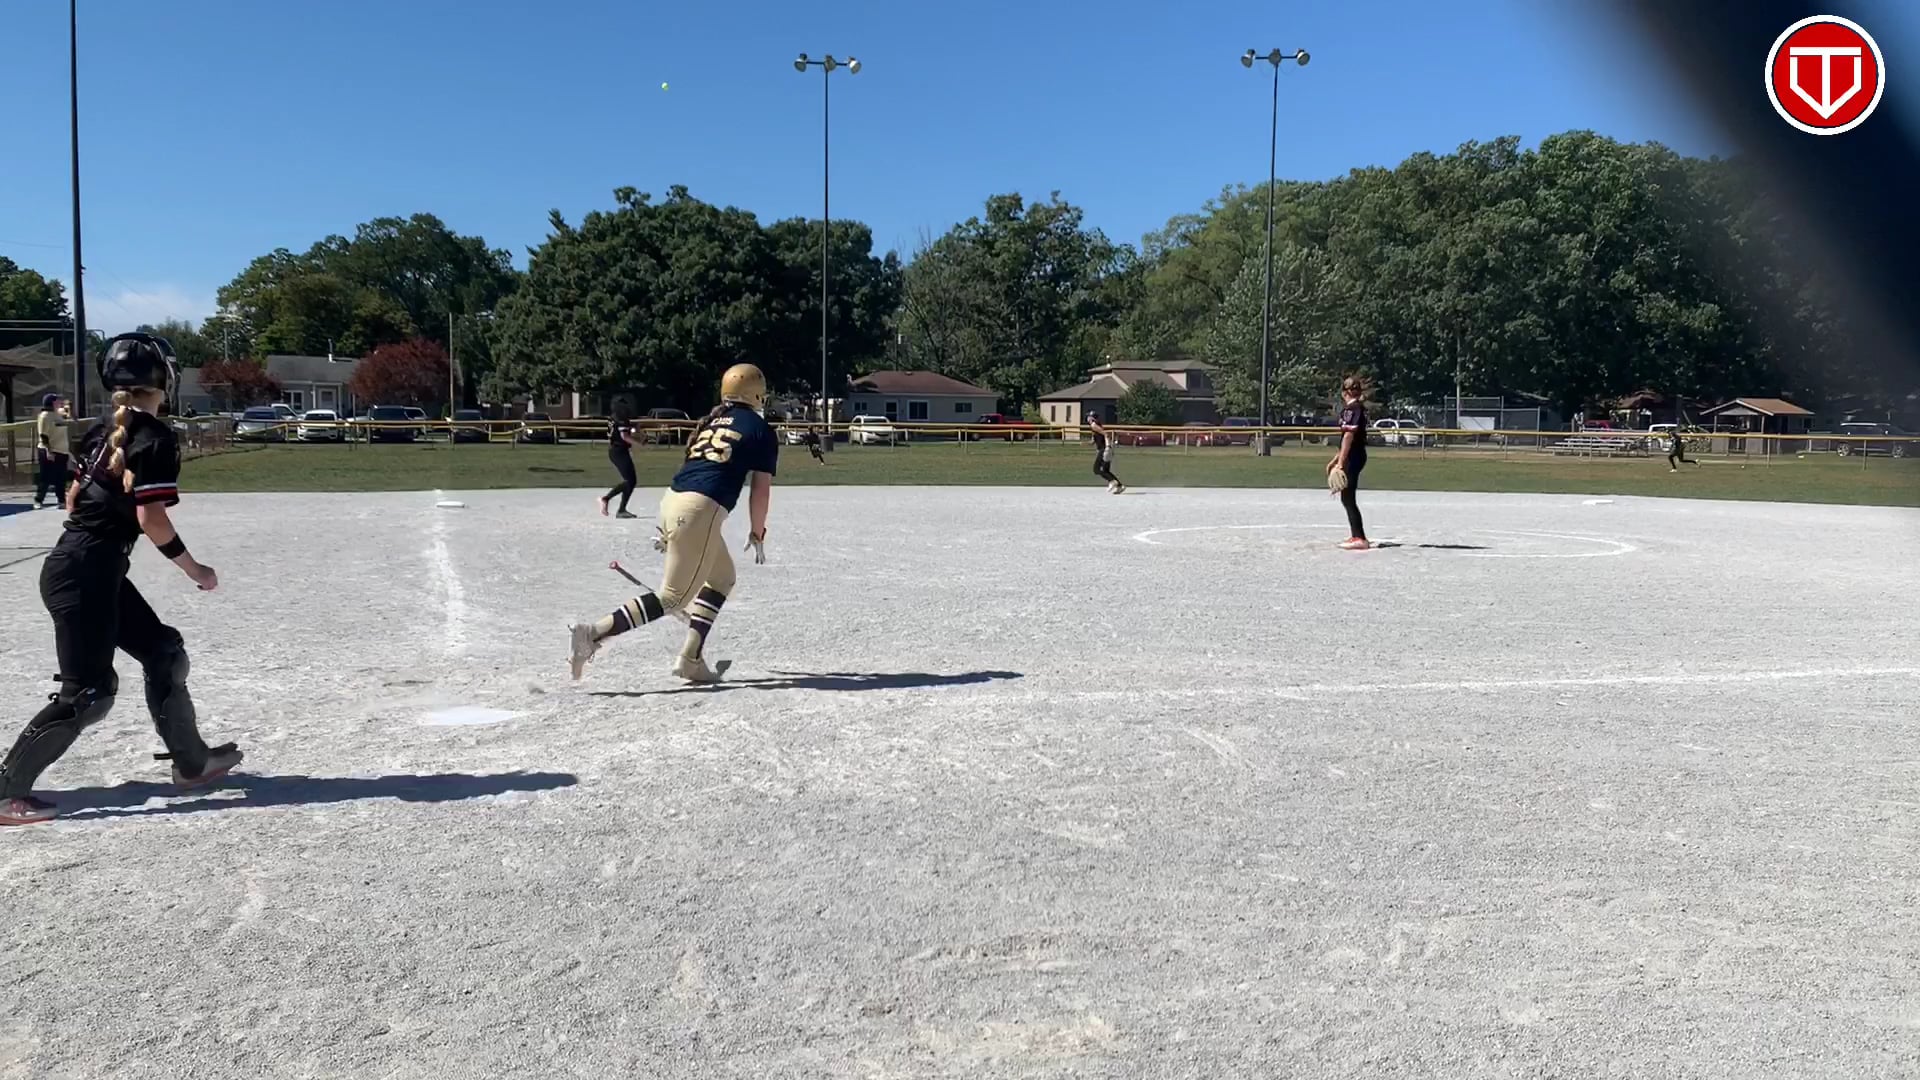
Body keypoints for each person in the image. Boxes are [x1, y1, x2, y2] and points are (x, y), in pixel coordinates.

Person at [1, 334, 240, 826]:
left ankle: (192, 763)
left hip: (90, 567)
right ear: (165, 378)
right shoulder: (153, 438)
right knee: (89, 692)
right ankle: (5, 792)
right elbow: (152, 520)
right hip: (84, 573)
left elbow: (74, 502)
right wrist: (196, 570)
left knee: (163, 651)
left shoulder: (102, 429)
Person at [570, 363, 776, 685]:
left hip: (674, 502)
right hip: (699, 511)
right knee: (673, 598)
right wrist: (757, 532)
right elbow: (760, 491)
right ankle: (592, 633)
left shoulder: (712, 420)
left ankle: (691, 658)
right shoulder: (759, 428)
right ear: (757, 393)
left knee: (722, 578)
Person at [1327, 375, 1371, 550]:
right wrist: (1335, 460)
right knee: (1347, 497)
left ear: (1344, 392)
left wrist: (1341, 462)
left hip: (1354, 456)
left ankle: (1359, 538)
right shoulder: (1355, 408)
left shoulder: (1353, 409)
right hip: (1354, 454)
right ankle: (1356, 535)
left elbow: (1348, 437)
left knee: (1347, 497)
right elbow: (1346, 439)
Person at [599, 405, 639, 518]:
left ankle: (621, 509)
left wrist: (634, 427)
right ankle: (606, 499)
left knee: (631, 481)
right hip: (619, 451)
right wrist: (639, 443)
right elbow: (624, 436)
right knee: (630, 480)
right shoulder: (621, 419)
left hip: (617, 450)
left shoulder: (613, 417)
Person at [33, 394, 71, 510]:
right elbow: (43, 435)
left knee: (61, 478)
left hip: (62, 451)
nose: (60, 402)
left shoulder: (58, 414)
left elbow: (71, 417)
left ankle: (61, 501)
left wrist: (69, 407)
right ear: (53, 402)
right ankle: (38, 500)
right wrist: (48, 451)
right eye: (57, 400)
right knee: (46, 477)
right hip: (49, 450)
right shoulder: (45, 416)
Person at [1088, 414, 1124, 494]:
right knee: (1105, 470)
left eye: (1089, 417)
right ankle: (1119, 486)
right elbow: (1093, 441)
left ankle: (1112, 481)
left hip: (1104, 450)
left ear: (1091, 418)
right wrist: (1085, 443)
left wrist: (1108, 447)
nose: (1088, 418)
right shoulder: (1096, 426)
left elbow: (1106, 434)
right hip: (1105, 449)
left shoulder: (1094, 425)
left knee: (1096, 469)